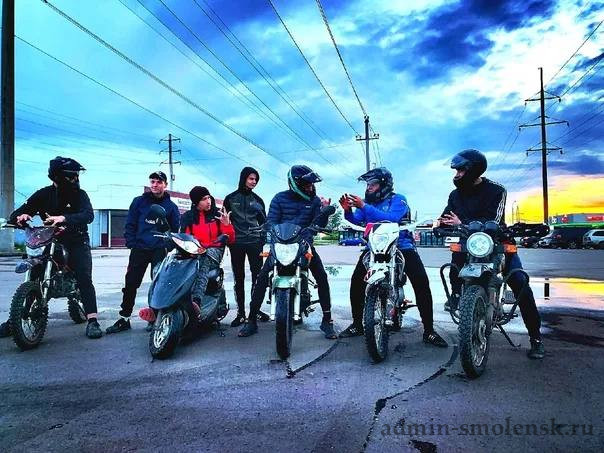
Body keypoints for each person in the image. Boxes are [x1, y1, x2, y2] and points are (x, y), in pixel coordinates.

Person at [438, 149, 544, 359]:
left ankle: (536, 338)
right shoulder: (455, 195)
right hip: (470, 244)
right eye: (456, 171)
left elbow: (492, 220)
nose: (457, 174)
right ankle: (458, 298)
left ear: (473, 170)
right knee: (455, 267)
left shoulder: (496, 190)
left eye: (460, 170)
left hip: (497, 242)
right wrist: (440, 225)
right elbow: (446, 218)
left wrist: (461, 223)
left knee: (520, 281)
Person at [337, 168, 448, 348]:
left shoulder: (398, 199)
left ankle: (429, 330)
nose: (368, 188)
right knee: (356, 281)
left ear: (384, 185)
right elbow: (356, 220)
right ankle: (357, 324)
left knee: (421, 282)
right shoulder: (367, 203)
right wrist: (348, 211)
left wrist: (364, 206)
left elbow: (391, 219)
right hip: (374, 246)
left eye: (372, 184)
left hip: (401, 246)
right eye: (367, 185)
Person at [0, 156, 102, 339]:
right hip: (49, 240)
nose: (76, 179)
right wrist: (21, 216)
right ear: (57, 177)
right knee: (35, 271)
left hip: (77, 240)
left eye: (77, 175)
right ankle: (15, 320)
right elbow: (20, 211)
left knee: (84, 277)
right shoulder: (43, 194)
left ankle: (93, 321)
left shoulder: (80, 195)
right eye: (71, 176)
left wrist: (64, 218)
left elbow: (88, 215)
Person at [238, 165, 337, 339]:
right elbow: (271, 221)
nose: (310, 187)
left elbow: (318, 224)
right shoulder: (279, 198)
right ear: (295, 183)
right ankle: (251, 320)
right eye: (306, 184)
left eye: (311, 184)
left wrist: (324, 213)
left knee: (322, 276)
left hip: (304, 244)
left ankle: (327, 320)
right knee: (262, 278)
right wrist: (267, 228)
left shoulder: (314, 201)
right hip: (281, 245)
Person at [105, 171, 179, 334]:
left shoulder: (171, 207)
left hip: (159, 250)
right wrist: (131, 242)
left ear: (165, 185)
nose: (155, 185)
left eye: (159, 182)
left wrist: (167, 245)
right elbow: (130, 223)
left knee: (158, 285)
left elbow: (174, 231)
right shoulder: (139, 202)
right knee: (131, 283)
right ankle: (124, 318)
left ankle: (154, 318)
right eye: (152, 181)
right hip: (139, 248)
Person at [223, 167, 270, 327]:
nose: (254, 182)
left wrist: (261, 240)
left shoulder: (258, 200)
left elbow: (264, 223)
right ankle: (241, 313)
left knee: (258, 278)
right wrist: (228, 238)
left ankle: (254, 311)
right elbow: (225, 221)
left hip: (254, 242)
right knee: (239, 278)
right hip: (236, 243)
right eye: (251, 178)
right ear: (243, 178)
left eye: (256, 179)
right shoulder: (230, 199)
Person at [178, 186, 235, 314]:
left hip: (214, 251)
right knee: (174, 262)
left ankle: (197, 300)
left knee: (204, 258)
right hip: (194, 251)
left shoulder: (218, 215)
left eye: (209, 198)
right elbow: (183, 237)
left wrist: (227, 225)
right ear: (196, 202)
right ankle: (162, 305)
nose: (208, 201)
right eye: (204, 199)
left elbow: (231, 239)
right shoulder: (188, 217)